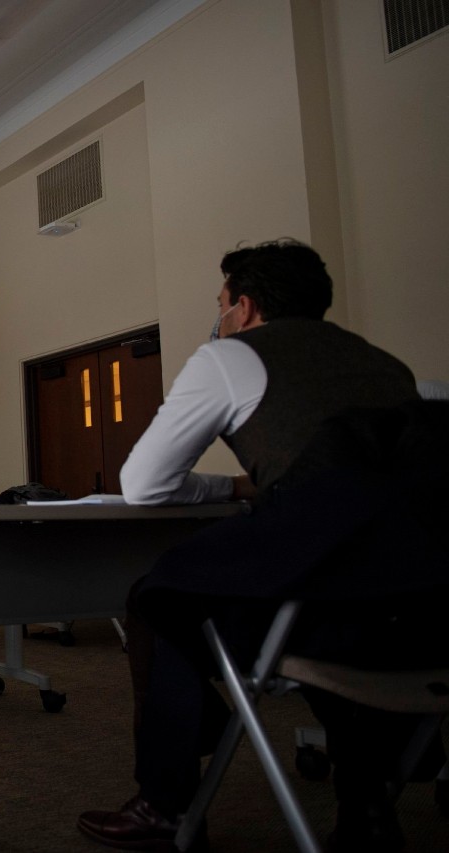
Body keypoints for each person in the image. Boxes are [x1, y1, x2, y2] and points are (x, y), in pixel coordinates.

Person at [77, 239, 423, 853]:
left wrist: (234, 483)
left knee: (161, 595)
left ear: (245, 306)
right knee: (273, 585)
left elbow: (144, 485)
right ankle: (367, 807)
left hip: (313, 607)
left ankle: (165, 800)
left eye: (222, 305)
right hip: (414, 616)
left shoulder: (231, 358)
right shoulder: (389, 367)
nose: (221, 318)